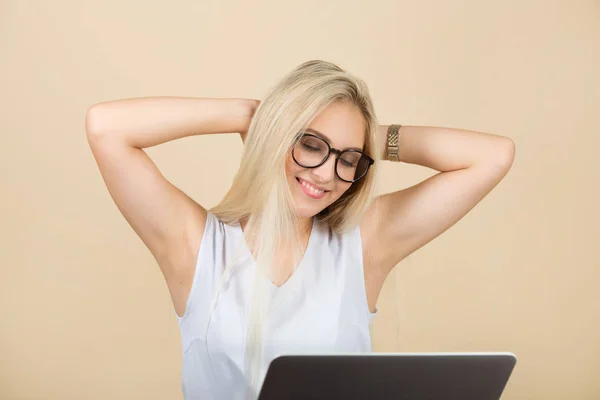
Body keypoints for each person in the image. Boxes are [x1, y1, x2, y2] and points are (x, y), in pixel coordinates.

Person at [85, 60, 515, 400]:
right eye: (311, 144)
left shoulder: (362, 244)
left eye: (348, 160)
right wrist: (250, 114)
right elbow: (106, 129)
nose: (328, 174)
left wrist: (369, 139)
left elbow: (493, 156)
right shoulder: (198, 246)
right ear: (278, 135)